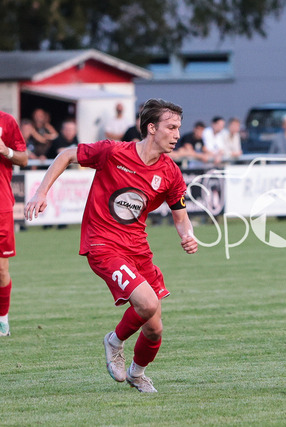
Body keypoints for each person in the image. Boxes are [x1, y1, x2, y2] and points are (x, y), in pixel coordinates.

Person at [25, 99, 198, 392]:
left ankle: (136, 374)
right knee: (147, 303)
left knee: (154, 329)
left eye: (178, 128)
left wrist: (187, 235)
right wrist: (41, 193)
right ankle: (114, 342)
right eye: (171, 127)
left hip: (137, 249)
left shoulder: (170, 172)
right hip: (102, 244)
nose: (177, 134)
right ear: (152, 128)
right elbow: (67, 154)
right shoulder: (113, 152)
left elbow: (181, 218)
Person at [0, 111, 29, 336]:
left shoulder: (6, 121)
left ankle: (3, 320)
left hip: (1, 205)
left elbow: (24, 158)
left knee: (1, 269)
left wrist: (6, 151)